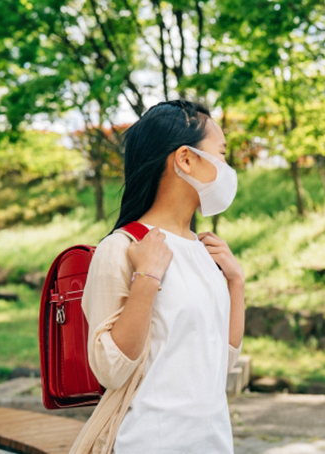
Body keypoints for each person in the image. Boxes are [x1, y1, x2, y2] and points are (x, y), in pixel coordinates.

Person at [68, 99, 245, 454]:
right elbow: (110, 369)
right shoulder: (122, 248)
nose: (227, 168)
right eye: (221, 154)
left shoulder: (204, 250)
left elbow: (221, 362)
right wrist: (146, 278)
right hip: (147, 443)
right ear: (185, 159)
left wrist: (236, 284)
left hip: (213, 444)